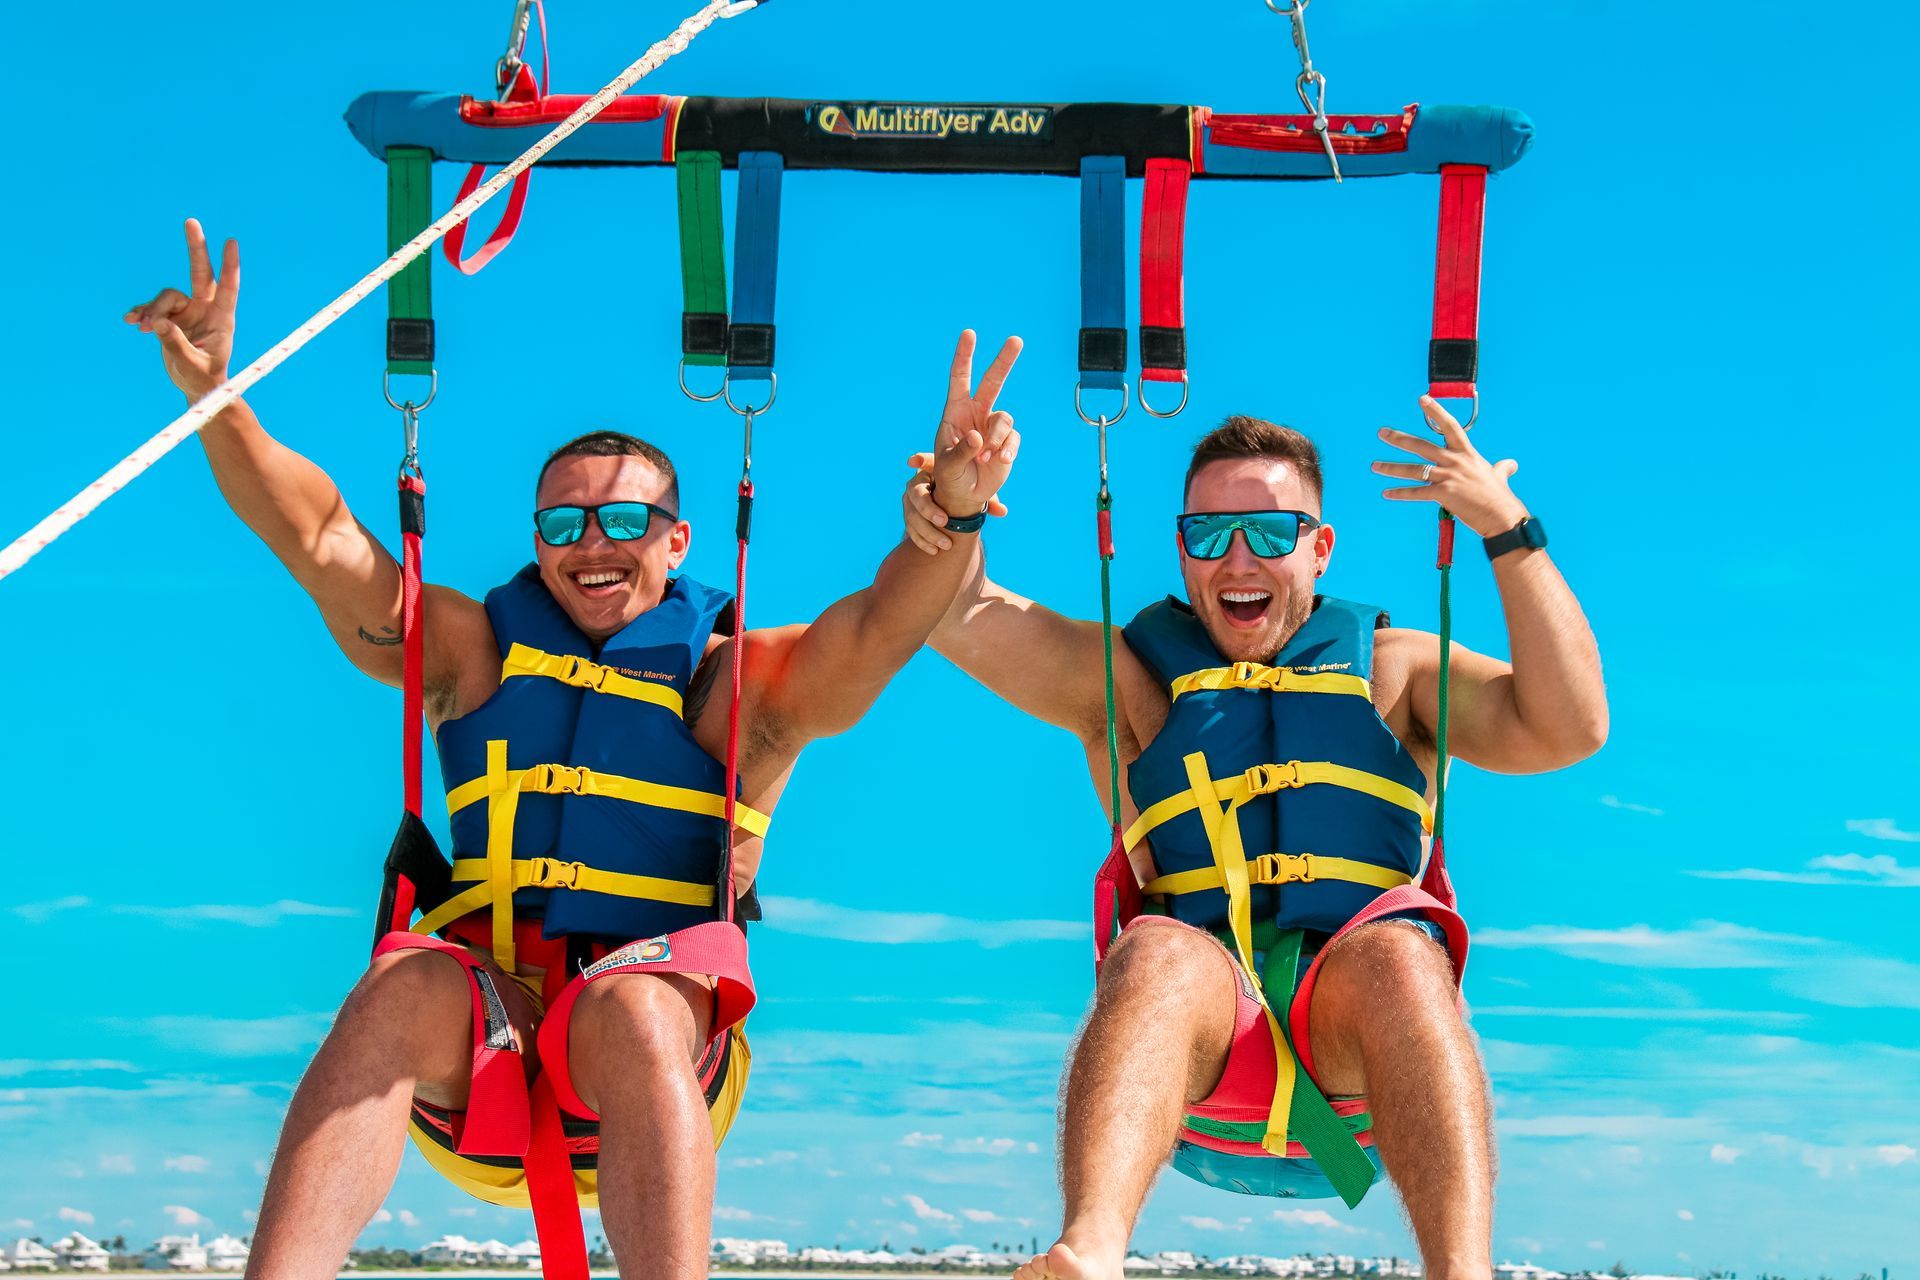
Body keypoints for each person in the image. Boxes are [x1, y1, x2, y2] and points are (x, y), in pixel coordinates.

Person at [124, 219, 1023, 1280]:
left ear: (677, 541)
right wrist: (217, 401)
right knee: (395, 981)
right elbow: (322, 540)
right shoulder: (472, 656)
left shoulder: (737, 687)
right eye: (564, 524)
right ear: (537, 541)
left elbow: (875, 629)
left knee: (633, 1003)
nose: (593, 543)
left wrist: (954, 514)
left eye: (626, 520)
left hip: (657, 1052)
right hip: (482, 1058)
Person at [903, 404, 1606, 1280]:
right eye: (1210, 534)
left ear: (1320, 548)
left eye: (1272, 532)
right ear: (1182, 549)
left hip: (1367, 1059)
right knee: (1156, 947)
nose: (1239, 559)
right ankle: (1088, 1255)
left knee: (1399, 953)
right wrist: (953, 515)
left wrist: (1508, 530)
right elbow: (950, 613)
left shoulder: (1397, 671)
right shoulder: (1128, 679)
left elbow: (1571, 727)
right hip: (1195, 1054)